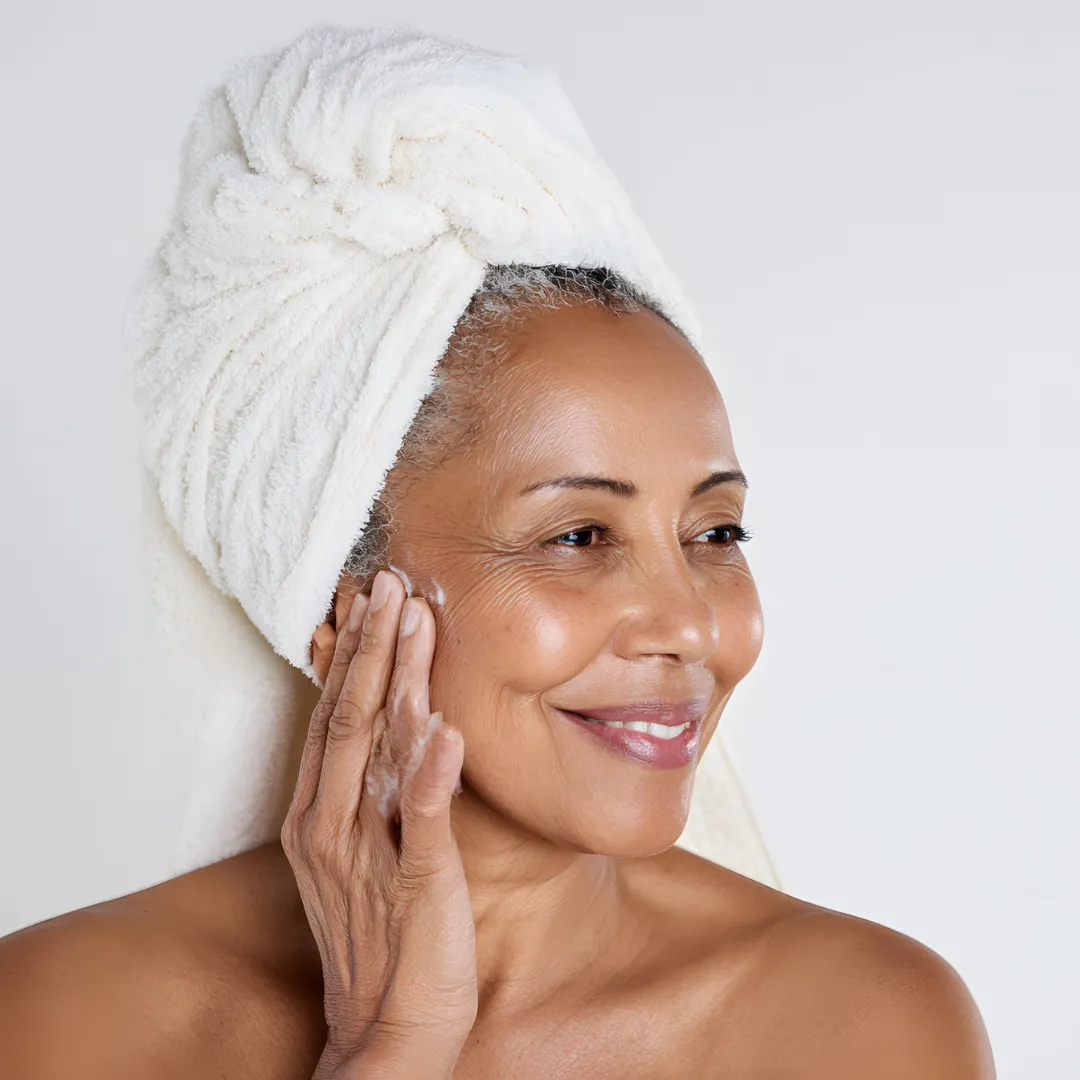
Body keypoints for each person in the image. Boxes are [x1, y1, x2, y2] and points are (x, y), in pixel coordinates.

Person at [0, 28, 995, 1080]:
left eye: (714, 533)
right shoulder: (62, 1025)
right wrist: (388, 1055)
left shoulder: (860, 1028)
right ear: (340, 612)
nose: (694, 625)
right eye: (579, 537)